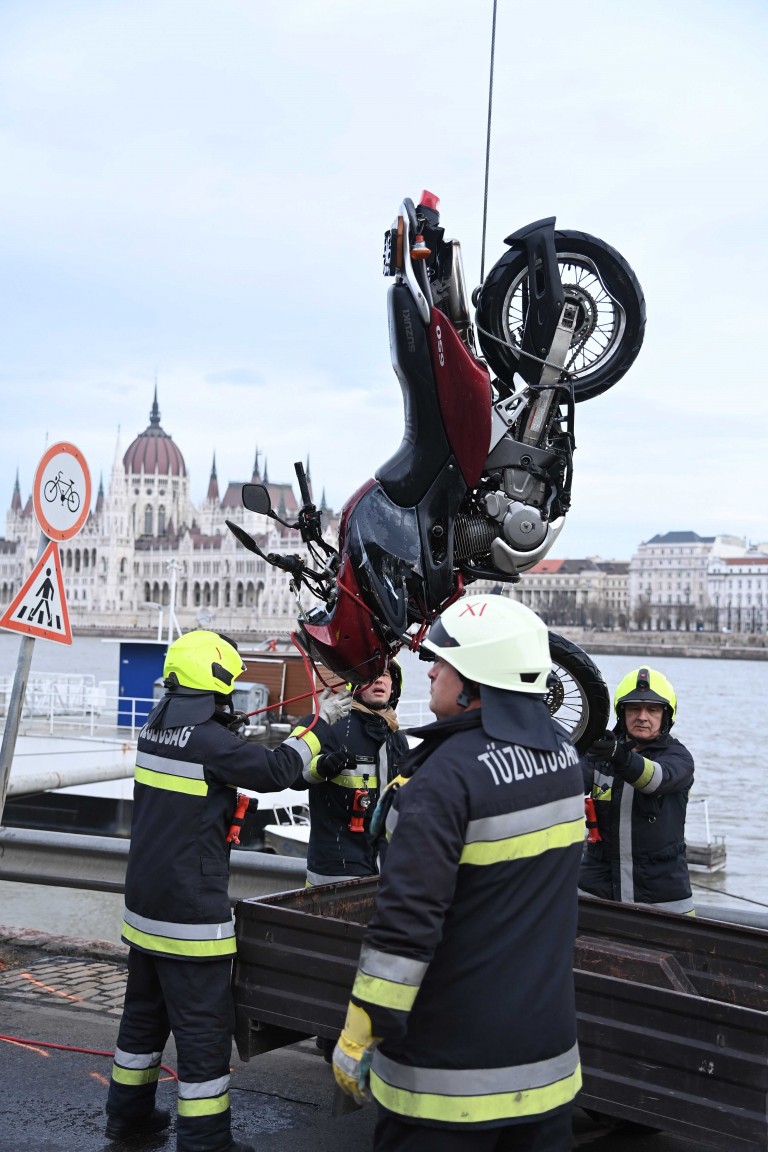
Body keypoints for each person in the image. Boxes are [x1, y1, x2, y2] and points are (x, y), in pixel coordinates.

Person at [332, 595, 585, 1152]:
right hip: (545, 1067)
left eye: (443, 662)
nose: (430, 670)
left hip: (446, 1082)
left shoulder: (441, 781)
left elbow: (405, 926)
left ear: (475, 683)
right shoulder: (565, 761)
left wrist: (362, 1027)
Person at [105, 629, 351, 1152]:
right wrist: (318, 724)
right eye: (226, 689)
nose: (230, 698)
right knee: (202, 1032)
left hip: (144, 909)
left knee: (142, 1022)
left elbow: (207, 745)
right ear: (213, 683)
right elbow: (276, 770)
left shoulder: (156, 726)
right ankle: (205, 1139)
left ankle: (127, 1117)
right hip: (191, 916)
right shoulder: (212, 742)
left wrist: (224, 722)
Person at [580, 665, 695, 914]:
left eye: (652, 709)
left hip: (663, 901)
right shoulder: (601, 752)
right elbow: (566, 782)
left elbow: (655, 780)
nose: (642, 716)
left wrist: (621, 758)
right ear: (622, 713)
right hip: (595, 891)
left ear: (666, 716)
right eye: (634, 708)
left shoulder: (679, 758)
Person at [299, 663, 409, 887]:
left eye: (386, 675)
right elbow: (294, 775)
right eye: (374, 674)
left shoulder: (397, 738)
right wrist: (323, 766)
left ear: (393, 688)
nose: (380, 680)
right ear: (357, 685)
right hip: (335, 870)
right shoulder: (333, 727)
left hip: (385, 869)